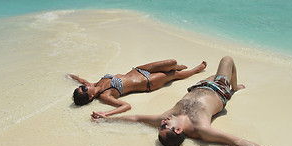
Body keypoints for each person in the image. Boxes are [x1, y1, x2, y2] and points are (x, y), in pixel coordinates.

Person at [91, 56, 292, 146]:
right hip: (218, 89)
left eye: (162, 126)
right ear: (179, 131)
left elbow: (136, 118)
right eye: (165, 127)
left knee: (209, 72)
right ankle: (234, 87)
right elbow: (237, 141)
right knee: (227, 60)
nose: (163, 122)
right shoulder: (201, 129)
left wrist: (105, 119)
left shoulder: (167, 118)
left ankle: (229, 83)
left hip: (199, 86)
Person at [69, 59, 207, 116]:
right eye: (85, 89)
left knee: (172, 62)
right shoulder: (105, 96)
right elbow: (126, 106)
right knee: (174, 75)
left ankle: (174, 66)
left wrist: (72, 77)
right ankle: (196, 70)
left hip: (139, 70)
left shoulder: (94, 84)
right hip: (147, 82)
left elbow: (81, 80)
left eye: (83, 86)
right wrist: (106, 114)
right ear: (91, 97)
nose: (85, 86)